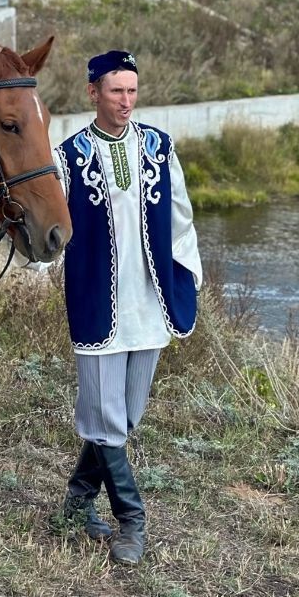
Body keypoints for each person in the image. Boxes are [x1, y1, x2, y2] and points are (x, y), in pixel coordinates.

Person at [53, 50, 201, 565]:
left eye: (133, 91)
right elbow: (51, 227)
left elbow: (181, 218)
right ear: (92, 92)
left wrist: (189, 278)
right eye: (116, 91)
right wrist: (35, 264)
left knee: (125, 416)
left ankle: (75, 501)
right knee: (105, 417)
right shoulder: (68, 155)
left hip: (151, 303)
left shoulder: (159, 147)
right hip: (98, 304)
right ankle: (131, 522)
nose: (126, 101)